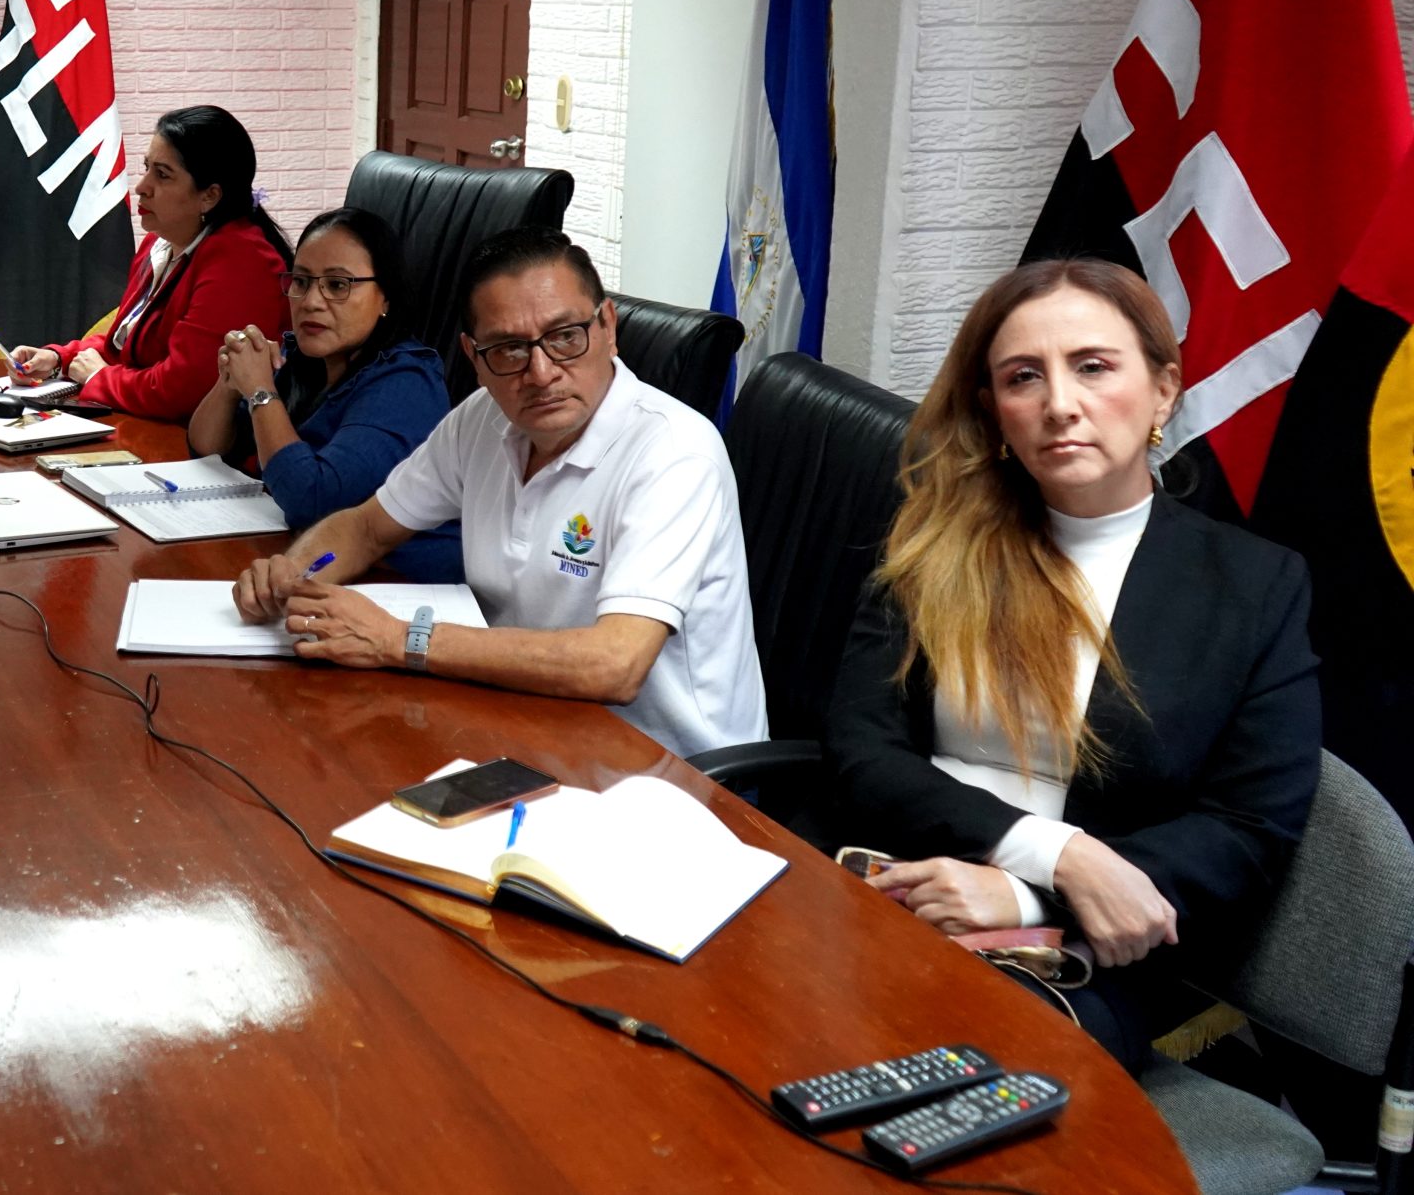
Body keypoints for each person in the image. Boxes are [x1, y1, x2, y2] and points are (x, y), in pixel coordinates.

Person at [822, 259, 1321, 1068]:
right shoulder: (931, 541)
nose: (1059, 403)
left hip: (1085, 953)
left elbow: (1250, 826)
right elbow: (862, 749)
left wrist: (1027, 893)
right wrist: (1051, 852)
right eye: (1023, 377)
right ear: (994, 409)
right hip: (893, 877)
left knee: (916, 1083)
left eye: (1093, 366)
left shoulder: (1255, 586)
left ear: (1163, 391)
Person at [230, 225, 767, 758]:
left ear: (607, 326)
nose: (541, 373)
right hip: (525, 719)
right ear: (473, 355)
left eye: (565, 337)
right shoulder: (482, 421)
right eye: (509, 349)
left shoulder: (674, 452)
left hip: (669, 772)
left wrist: (399, 639)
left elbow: (616, 663)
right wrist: (295, 574)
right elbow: (367, 527)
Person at [186, 206, 461, 580]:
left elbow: (313, 500)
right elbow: (208, 450)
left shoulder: (407, 381)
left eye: (337, 285)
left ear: (386, 299)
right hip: (308, 564)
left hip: (399, 587)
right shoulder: (304, 358)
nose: (311, 301)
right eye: (301, 281)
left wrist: (261, 390)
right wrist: (231, 382)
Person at [7, 105, 292, 421]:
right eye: (147, 168)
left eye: (163, 174)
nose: (142, 186)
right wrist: (60, 359)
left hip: (210, 442)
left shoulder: (241, 263)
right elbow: (129, 348)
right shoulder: (159, 243)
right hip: (151, 427)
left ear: (209, 196)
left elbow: (182, 390)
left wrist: (99, 377)